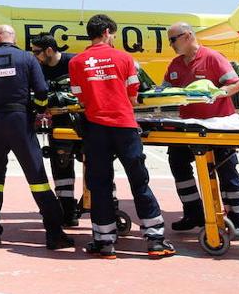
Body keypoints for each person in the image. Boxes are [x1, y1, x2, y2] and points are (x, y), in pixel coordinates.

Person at [69, 13, 174, 259]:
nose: (114, 38)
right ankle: (155, 241)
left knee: (100, 186)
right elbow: (134, 97)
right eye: (113, 34)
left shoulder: (76, 63)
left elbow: (79, 98)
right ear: (107, 32)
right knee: (139, 182)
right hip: (125, 127)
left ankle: (105, 243)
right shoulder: (125, 59)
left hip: (95, 130)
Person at [0, 24, 73, 250]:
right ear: (13, 39)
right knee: (38, 180)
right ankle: (54, 234)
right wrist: (38, 108)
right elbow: (42, 90)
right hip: (20, 121)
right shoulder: (27, 59)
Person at [162, 22, 239, 240]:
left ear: (188, 36)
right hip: (189, 127)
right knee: (177, 162)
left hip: (218, 126)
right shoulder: (174, 65)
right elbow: (163, 89)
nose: (171, 44)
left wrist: (217, 93)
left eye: (173, 39)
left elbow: (235, 84)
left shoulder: (212, 57)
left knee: (226, 172)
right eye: (169, 40)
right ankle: (193, 213)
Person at [31, 34, 81, 226]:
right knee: (61, 167)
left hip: (82, 122)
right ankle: (68, 212)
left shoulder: (74, 62)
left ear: (49, 50)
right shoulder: (39, 69)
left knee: (94, 165)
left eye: (37, 52)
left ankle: (105, 207)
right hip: (58, 124)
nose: (34, 56)